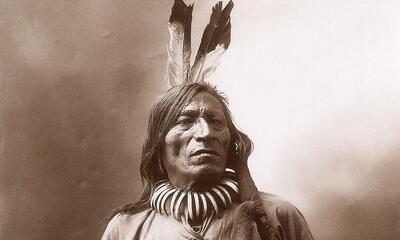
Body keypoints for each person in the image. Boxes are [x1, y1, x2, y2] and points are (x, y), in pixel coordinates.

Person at [102, 1, 314, 239]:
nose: (205, 133)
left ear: (232, 142)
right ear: (159, 146)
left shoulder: (278, 216)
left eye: (215, 121)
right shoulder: (126, 229)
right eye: (185, 121)